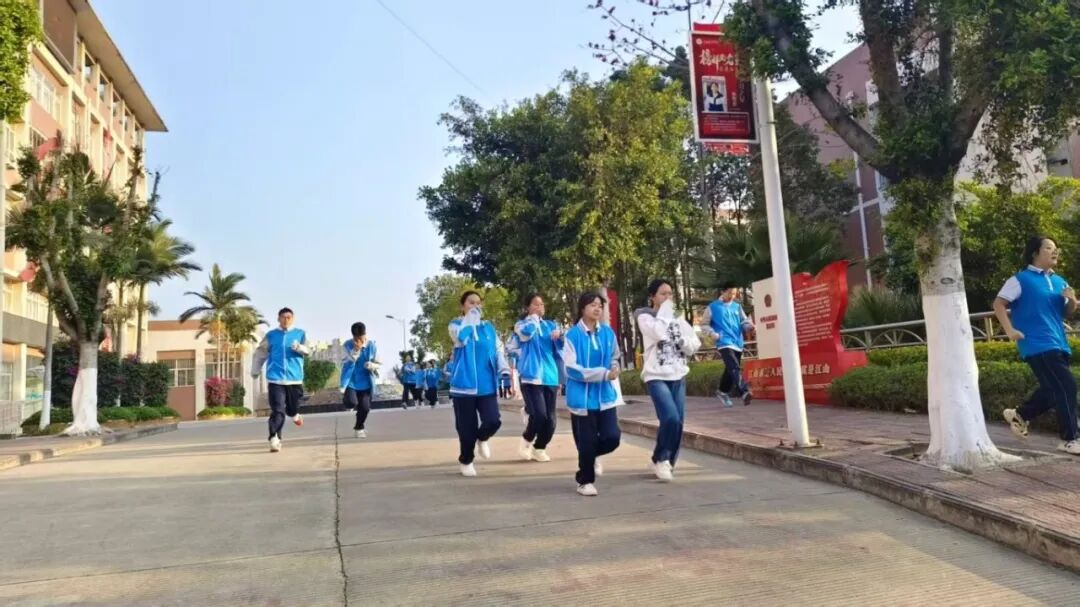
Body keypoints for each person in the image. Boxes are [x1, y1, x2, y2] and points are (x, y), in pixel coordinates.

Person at [995, 236, 1080, 455]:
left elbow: (1066, 312)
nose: (1055, 252)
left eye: (1056, 249)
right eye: (1049, 248)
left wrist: (1072, 301)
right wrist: (1010, 330)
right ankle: (1070, 439)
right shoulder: (1020, 279)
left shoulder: (1059, 281)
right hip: (1036, 343)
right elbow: (999, 303)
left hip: (1059, 342)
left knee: (1053, 390)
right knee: (1068, 386)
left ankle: (1021, 414)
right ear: (1035, 253)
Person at [635, 279, 701, 481]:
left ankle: (663, 461)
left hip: (678, 374)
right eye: (663, 294)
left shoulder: (678, 317)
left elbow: (694, 343)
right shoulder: (645, 316)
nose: (668, 298)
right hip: (656, 376)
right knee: (670, 417)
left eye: (670, 294)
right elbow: (658, 333)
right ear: (652, 297)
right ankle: (662, 459)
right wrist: (666, 313)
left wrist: (683, 341)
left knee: (678, 422)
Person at [563, 291, 622, 496]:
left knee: (612, 438)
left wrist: (614, 367)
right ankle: (585, 481)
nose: (597, 309)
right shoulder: (572, 335)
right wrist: (603, 374)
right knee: (586, 442)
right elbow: (571, 369)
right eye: (593, 305)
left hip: (605, 396)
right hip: (582, 399)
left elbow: (615, 356)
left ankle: (588, 457)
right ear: (582, 308)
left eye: (600, 305)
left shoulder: (607, 333)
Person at [448, 290, 513, 476]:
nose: (475, 306)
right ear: (462, 306)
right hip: (464, 386)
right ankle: (466, 460)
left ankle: (482, 438)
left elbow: (497, 350)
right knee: (466, 429)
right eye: (471, 303)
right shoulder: (455, 325)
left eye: (478, 303)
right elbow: (461, 338)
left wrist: (504, 370)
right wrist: (470, 319)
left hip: (487, 385)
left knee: (493, 421)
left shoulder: (488, 327)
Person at [252, 307, 313, 452]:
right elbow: (260, 353)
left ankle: (295, 414)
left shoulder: (300, 334)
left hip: (294, 379)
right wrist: (255, 369)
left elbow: (309, 351)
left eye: (289, 317)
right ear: (278, 319)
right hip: (276, 379)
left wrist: (300, 348)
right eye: (283, 317)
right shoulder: (271, 335)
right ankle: (274, 438)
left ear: (293, 319)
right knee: (278, 410)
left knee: (292, 408)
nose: (286, 320)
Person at [514, 293, 564, 463]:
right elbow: (526, 334)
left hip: (550, 375)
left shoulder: (550, 325)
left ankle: (539, 448)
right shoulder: (521, 324)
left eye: (541, 304)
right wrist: (534, 319)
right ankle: (527, 438)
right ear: (528, 307)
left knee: (551, 420)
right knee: (540, 416)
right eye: (535, 304)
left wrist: (560, 335)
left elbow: (561, 347)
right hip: (531, 376)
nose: (540, 307)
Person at [702, 282, 755, 407]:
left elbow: (744, 322)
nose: (732, 296)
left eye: (734, 294)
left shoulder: (737, 307)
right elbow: (704, 324)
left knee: (730, 369)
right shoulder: (713, 307)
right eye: (730, 293)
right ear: (723, 292)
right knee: (734, 366)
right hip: (723, 341)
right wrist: (713, 334)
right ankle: (744, 391)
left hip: (737, 341)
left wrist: (750, 327)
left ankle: (722, 391)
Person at [340, 322, 379, 439]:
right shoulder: (347, 345)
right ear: (353, 336)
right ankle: (348, 401)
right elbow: (345, 362)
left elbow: (378, 363)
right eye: (356, 338)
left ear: (365, 334)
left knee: (365, 408)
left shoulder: (371, 345)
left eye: (361, 338)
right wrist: (355, 351)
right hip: (351, 381)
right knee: (351, 402)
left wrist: (372, 365)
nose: (359, 341)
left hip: (366, 382)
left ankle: (359, 427)